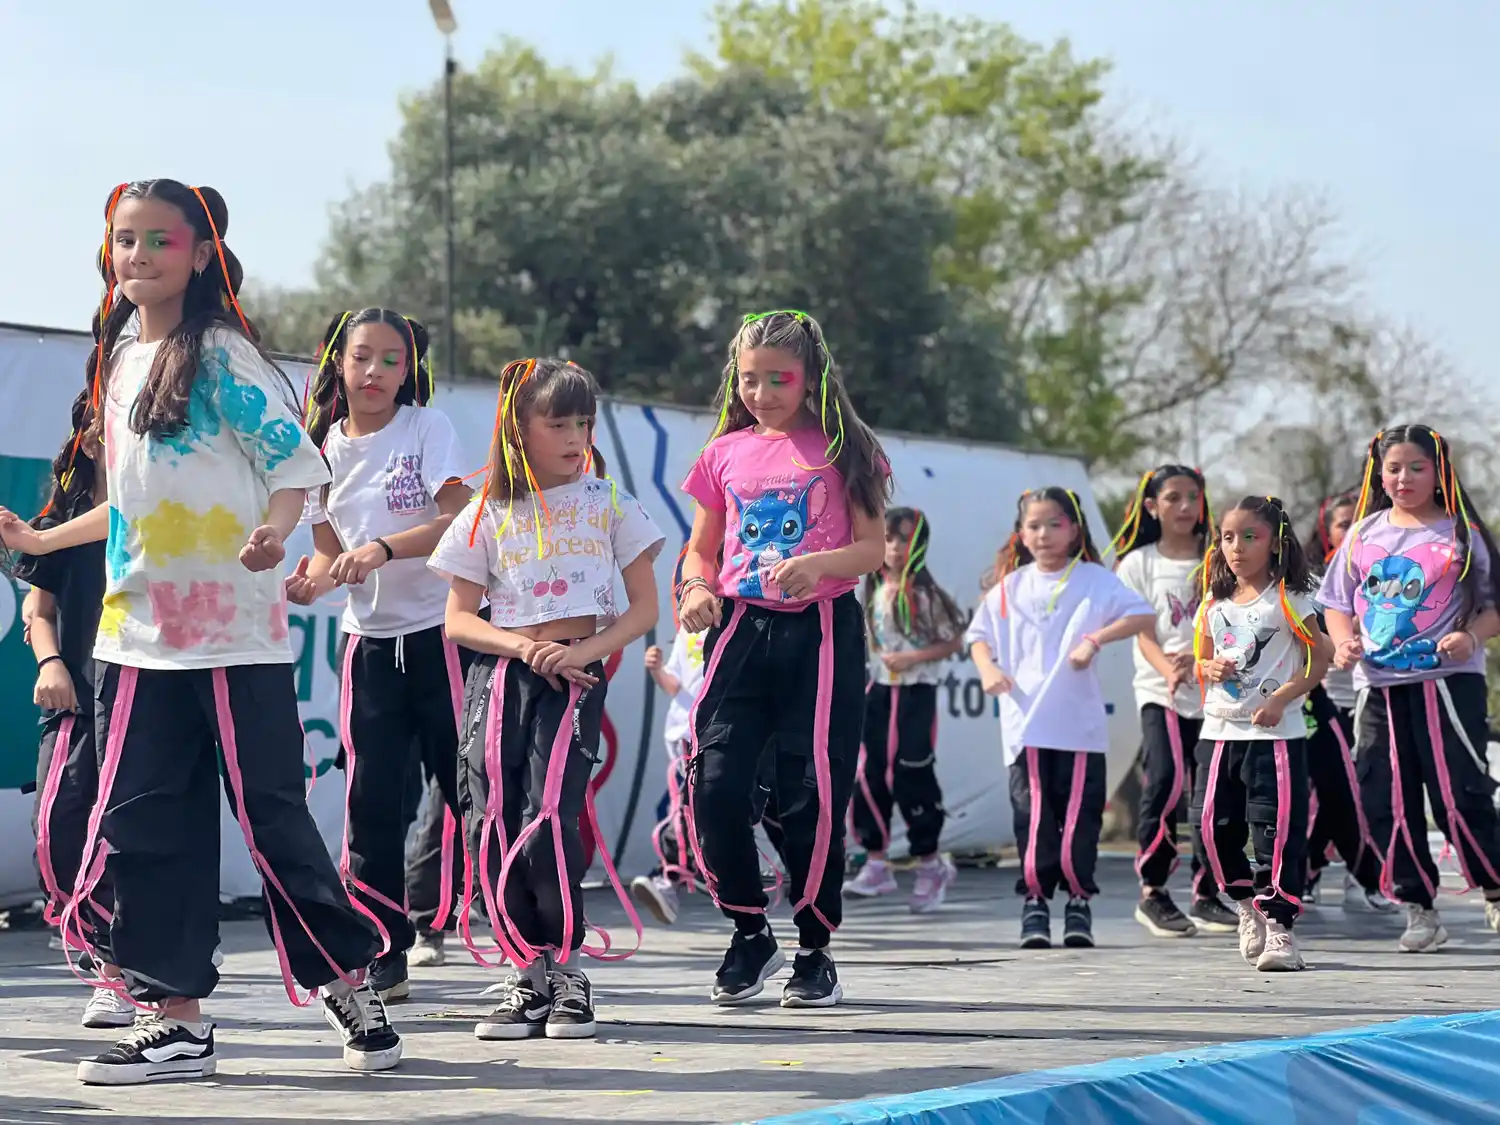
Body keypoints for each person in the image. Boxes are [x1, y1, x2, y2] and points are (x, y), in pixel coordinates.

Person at [0, 179, 400, 1084]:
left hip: (232, 640)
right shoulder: (119, 362)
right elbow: (130, 504)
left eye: (160, 241)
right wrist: (42, 540)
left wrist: (277, 531)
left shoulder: (221, 355)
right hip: (131, 639)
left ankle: (345, 978)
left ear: (200, 254)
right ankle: (175, 1016)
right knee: (139, 824)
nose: (137, 256)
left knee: (271, 821)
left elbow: (294, 467)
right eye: (124, 240)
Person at [430, 357, 663, 1041]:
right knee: (490, 814)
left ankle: (567, 968)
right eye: (558, 423)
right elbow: (458, 620)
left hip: (576, 676)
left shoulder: (609, 502)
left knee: (551, 813)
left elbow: (643, 608)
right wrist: (520, 647)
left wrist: (582, 653)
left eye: (583, 422)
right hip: (500, 677)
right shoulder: (485, 512)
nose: (574, 437)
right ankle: (523, 970)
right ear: (519, 428)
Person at [678, 310, 889, 1009]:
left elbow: (871, 550)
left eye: (780, 379)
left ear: (811, 378)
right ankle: (749, 931)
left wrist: (817, 565)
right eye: (750, 378)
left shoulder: (846, 448)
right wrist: (696, 589)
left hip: (823, 630)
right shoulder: (723, 452)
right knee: (713, 783)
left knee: (813, 792)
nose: (762, 392)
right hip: (740, 628)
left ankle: (814, 947)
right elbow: (701, 548)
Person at [288, 307, 473, 1000]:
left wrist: (384, 548)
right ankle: (384, 950)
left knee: (471, 789)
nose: (374, 372)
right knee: (370, 801)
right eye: (361, 356)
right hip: (367, 646)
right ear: (338, 362)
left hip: (441, 633)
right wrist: (310, 582)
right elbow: (327, 552)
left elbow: (457, 518)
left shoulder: (427, 428)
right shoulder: (320, 449)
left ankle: (529, 944)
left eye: (391, 359)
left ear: (409, 369)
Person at [1319, 426, 1500, 952]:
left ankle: (1494, 889)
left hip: (1447, 683)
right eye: (1394, 468)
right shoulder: (1362, 534)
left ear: (1439, 472)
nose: (1404, 478)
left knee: (1458, 794)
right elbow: (1337, 603)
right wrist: (1344, 641)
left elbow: (1493, 607)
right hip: (1378, 687)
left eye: (1417, 467)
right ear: (1379, 475)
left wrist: (1471, 636)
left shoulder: (1462, 534)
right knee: (1385, 798)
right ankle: (1418, 907)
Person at [966, 487, 1154, 950]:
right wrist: (988, 670)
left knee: (1078, 820)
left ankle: (1077, 902)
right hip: (1025, 726)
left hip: (1078, 728)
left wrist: (1095, 639)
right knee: (1032, 817)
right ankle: (1034, 902)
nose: (1044, 534)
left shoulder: (1094, 580)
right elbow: (978, 637)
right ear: (1021, 533)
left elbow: (1141, 615)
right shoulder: (1011, 586)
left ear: (1074, 529)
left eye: (1055, 524)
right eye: (1034, 526)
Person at [9, 391, 133, 1029]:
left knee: (132, 836)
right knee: (57, 832)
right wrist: (50, 663)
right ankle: (102, 947)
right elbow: (37, 609)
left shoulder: (164, 515)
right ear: (88, 441)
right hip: (77, 701)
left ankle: (121, 971)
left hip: (144, 699)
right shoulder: (60, 520)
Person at [1192, 496, 1329, 972]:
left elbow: (1319, 658)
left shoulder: (1289, 599)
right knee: (1209, 827)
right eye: (1228, 537)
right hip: (1219, 731)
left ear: (1274, 543)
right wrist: (1208, 667)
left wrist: (1280, 699)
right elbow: (1201, 659)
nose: (1237, 547)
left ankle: (1280, 928)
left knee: (1275, 832)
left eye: (1250, 536)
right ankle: (1244, 904)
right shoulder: (1213, 603)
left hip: (1275, 739)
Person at [1111, 465, 1238, 937]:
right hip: (1160, 691)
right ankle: (1154, 892)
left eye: (1193, 496)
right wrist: (1170, 671)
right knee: (1165, 781)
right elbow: (1143, 633)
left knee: (1214, 794)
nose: (1185, 506)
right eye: (1173, 498)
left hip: (1216, 694)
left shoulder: (1219, 557)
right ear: (1151, 506)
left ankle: (1208, 893)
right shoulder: (1138, 564)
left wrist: (1205, 661)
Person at [844, 507, 965, 912]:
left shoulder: (926, 595)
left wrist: (913, 658)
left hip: (915, 693)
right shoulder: (873, 587)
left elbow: (953, 641)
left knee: (911, 771)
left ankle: (930, 863)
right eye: (889, 539)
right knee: (870, 772)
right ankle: (876, 862)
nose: (896, 548)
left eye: (905, 540)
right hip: (879, 690)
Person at [1303, 493, 1395, 914]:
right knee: (1327, 794)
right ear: (1325, 531)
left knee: (1368, 792)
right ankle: (1314, 871)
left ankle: (1365, 877)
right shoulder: (1309, 582)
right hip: (1326, 701)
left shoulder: (1387, 570)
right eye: (1342, 523)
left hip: (1374, 696)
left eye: (1358, 521)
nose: (1352, 530)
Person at [632, 621, 707, 925]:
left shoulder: (740, 618)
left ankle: (675, 876)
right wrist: (657, 670)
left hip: (718, 732)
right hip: (685, 737)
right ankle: (676, 876)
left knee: (684, 810)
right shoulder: (689, 631)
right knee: (674, 809)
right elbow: (675, 685)